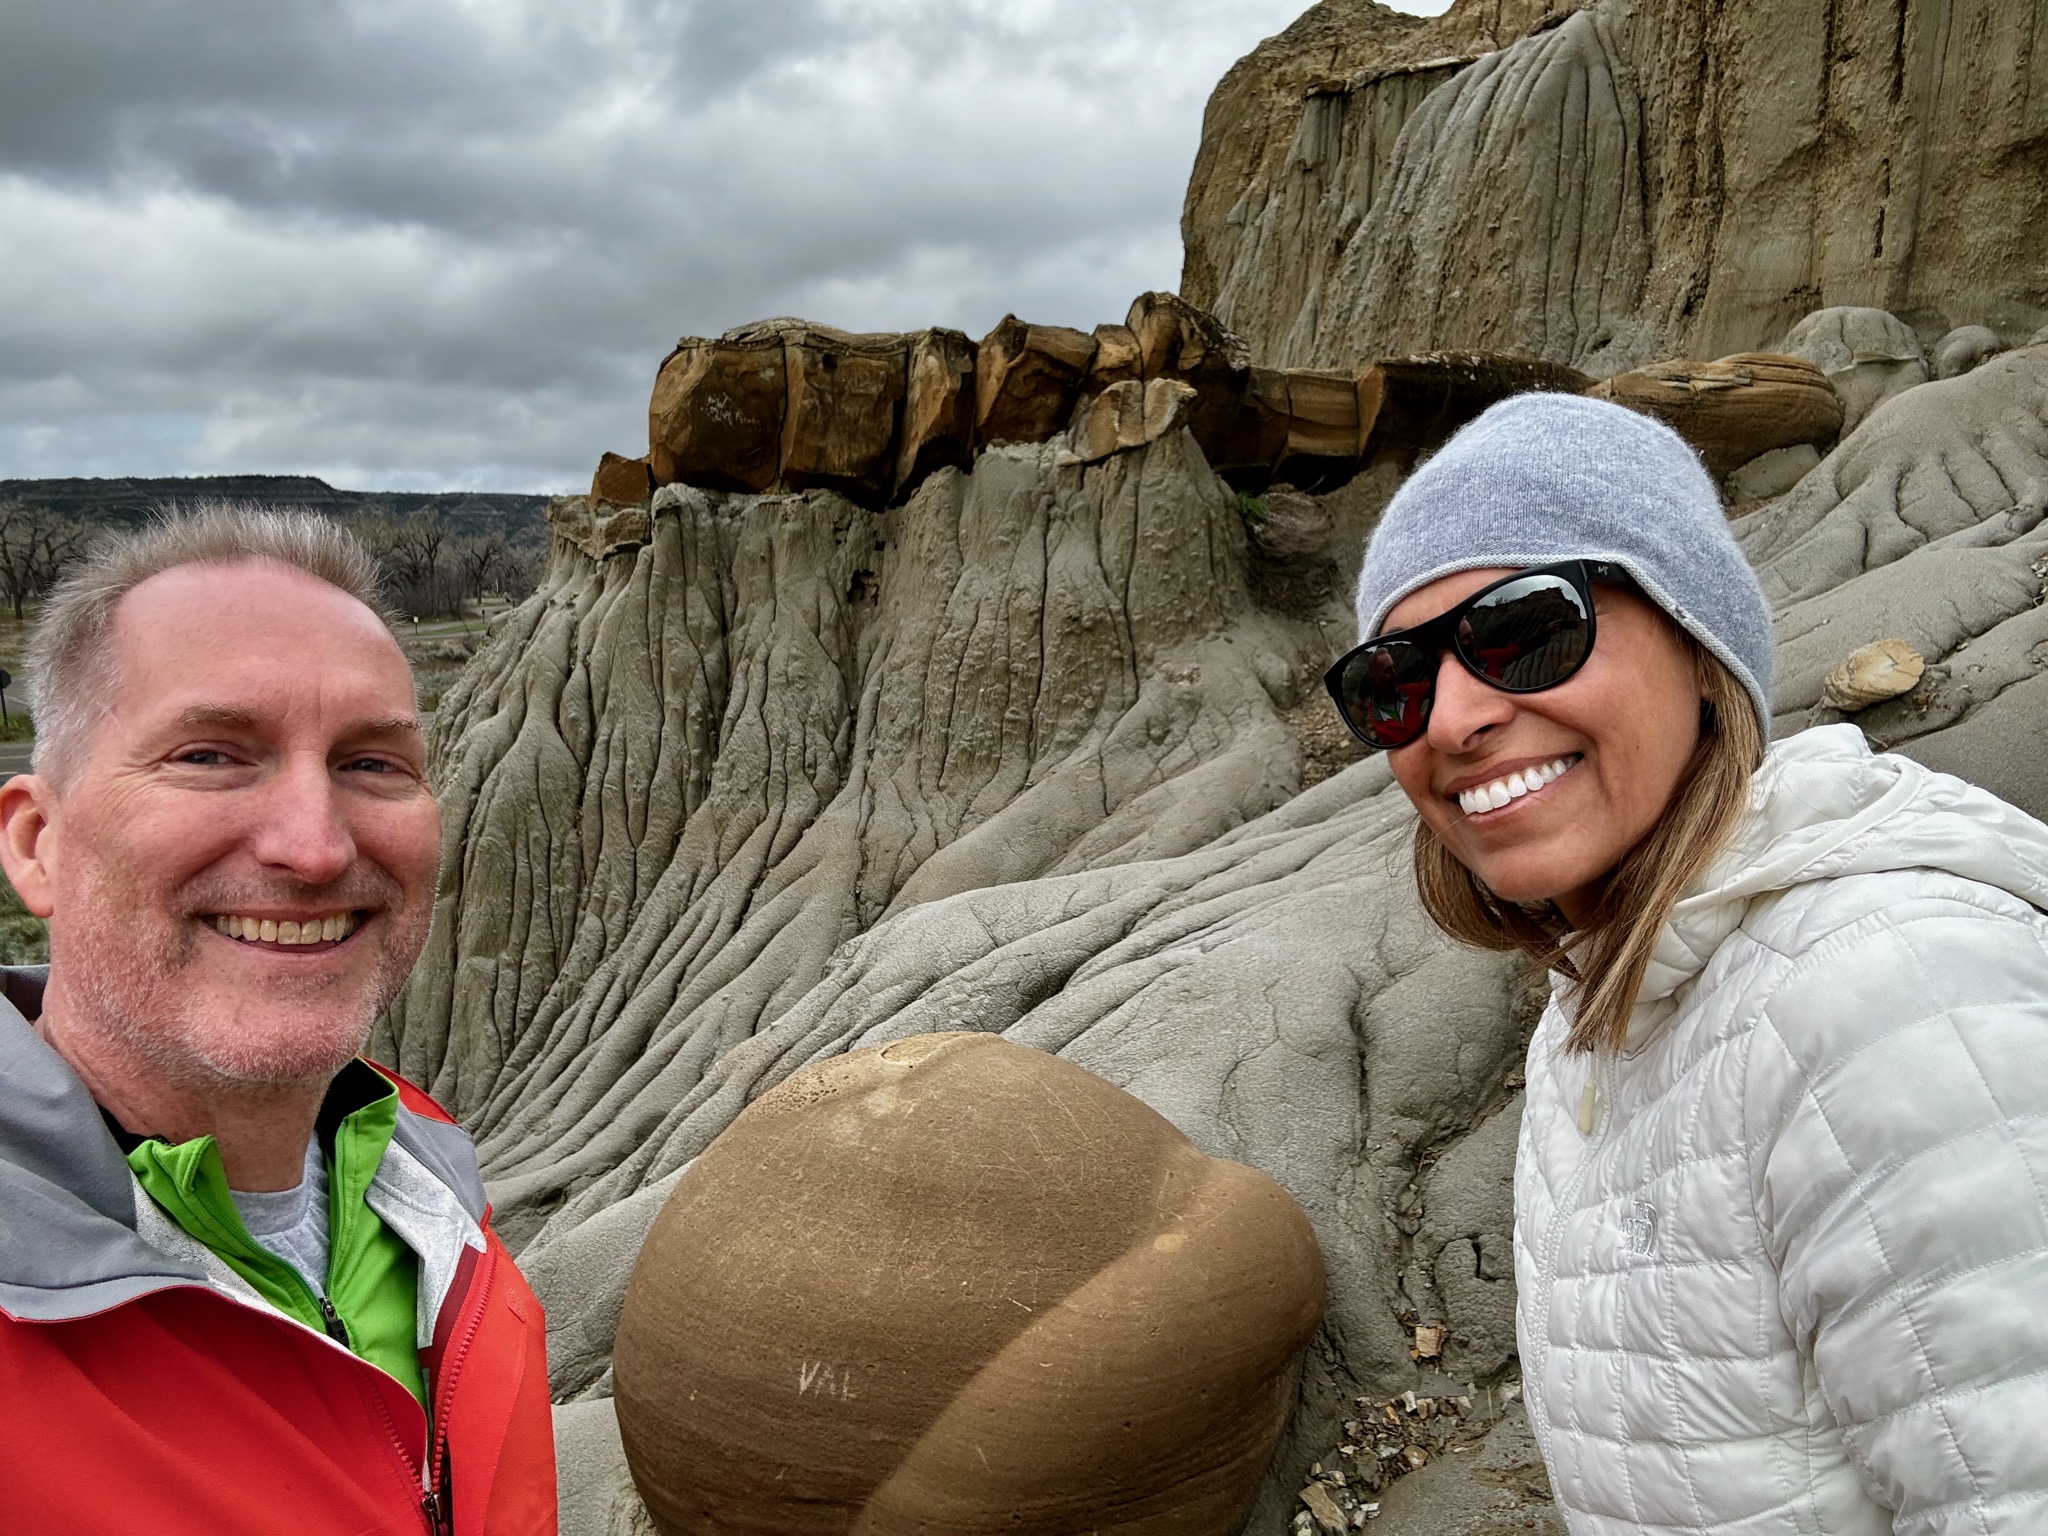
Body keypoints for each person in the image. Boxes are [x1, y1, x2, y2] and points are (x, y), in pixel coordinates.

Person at [1326, 395, 2048, 1534]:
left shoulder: (1886, 989)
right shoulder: (1598, 1006)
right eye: (1390, 684)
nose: (1451, 717)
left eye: (1521, 631)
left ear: (1695, 644)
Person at [0, 508, 556, 1535]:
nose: (315, 848)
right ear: (37, 845)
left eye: (371, 763)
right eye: (211, 755)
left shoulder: (444, 1229)